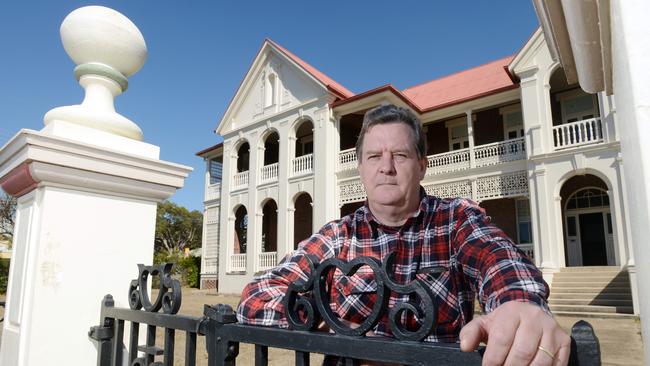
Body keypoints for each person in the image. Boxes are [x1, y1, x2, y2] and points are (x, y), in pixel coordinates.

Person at [237, 104, 570, 365]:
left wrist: (519, 304)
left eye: (400, 155)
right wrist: (327, 323)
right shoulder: (338, 236)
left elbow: (495, 255)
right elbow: (257, 296)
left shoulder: (455, 220)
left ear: (422, 165)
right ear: (361, 169)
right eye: (373, 157)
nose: (386, 167)